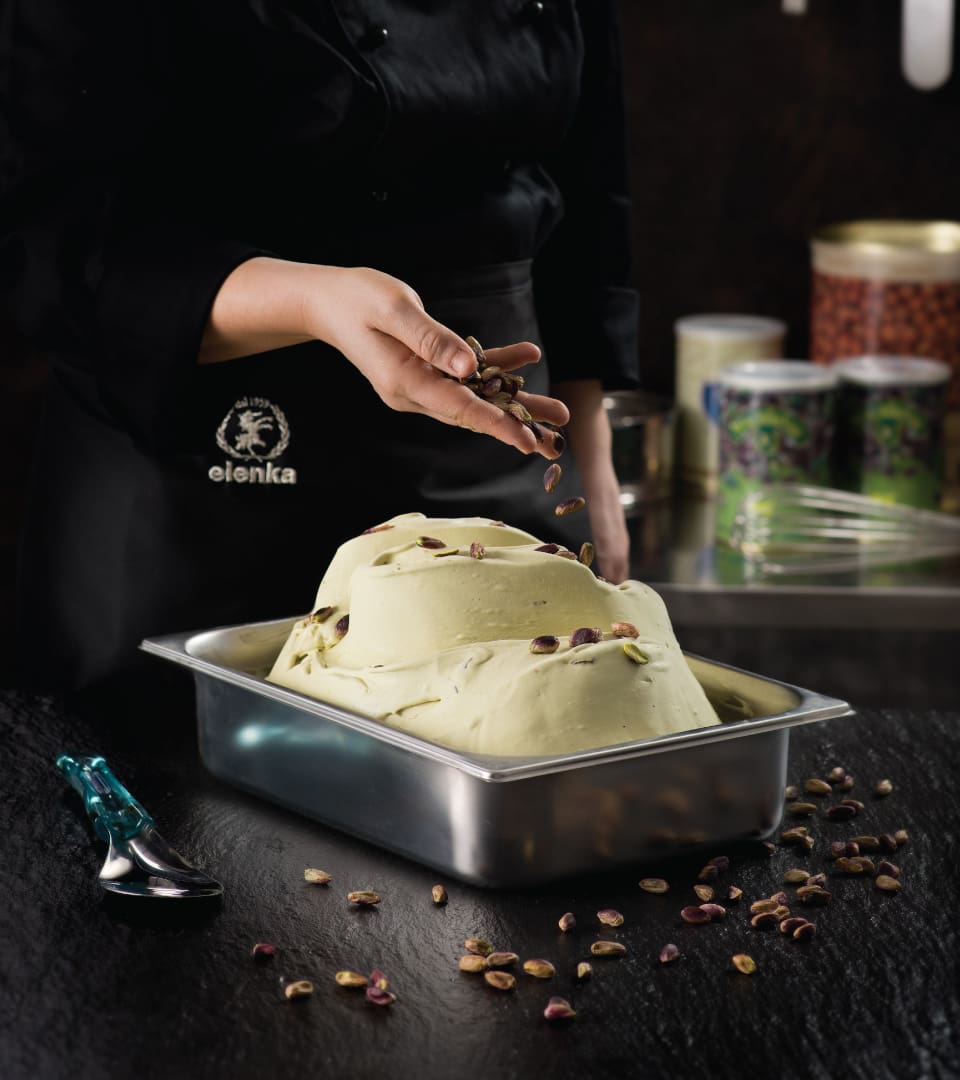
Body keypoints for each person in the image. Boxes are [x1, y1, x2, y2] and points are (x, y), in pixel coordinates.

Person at [0, 0, 640, 697]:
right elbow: (53, 241)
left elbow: (590, 184)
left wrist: (590, 456)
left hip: (495, 457)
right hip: (202, 490)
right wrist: (311, 302)